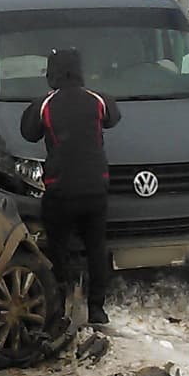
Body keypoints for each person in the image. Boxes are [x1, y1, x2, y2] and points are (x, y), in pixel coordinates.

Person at [20, 48, 121, 325]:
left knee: (58, 246)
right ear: (79, 72)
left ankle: (60, 304)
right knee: (96, 246)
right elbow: (114, 117)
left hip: (60, 188)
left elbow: (28, 132)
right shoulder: (97, 100)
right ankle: (97, 308)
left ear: (52, 74)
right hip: (95, 187)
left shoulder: (45, 104)